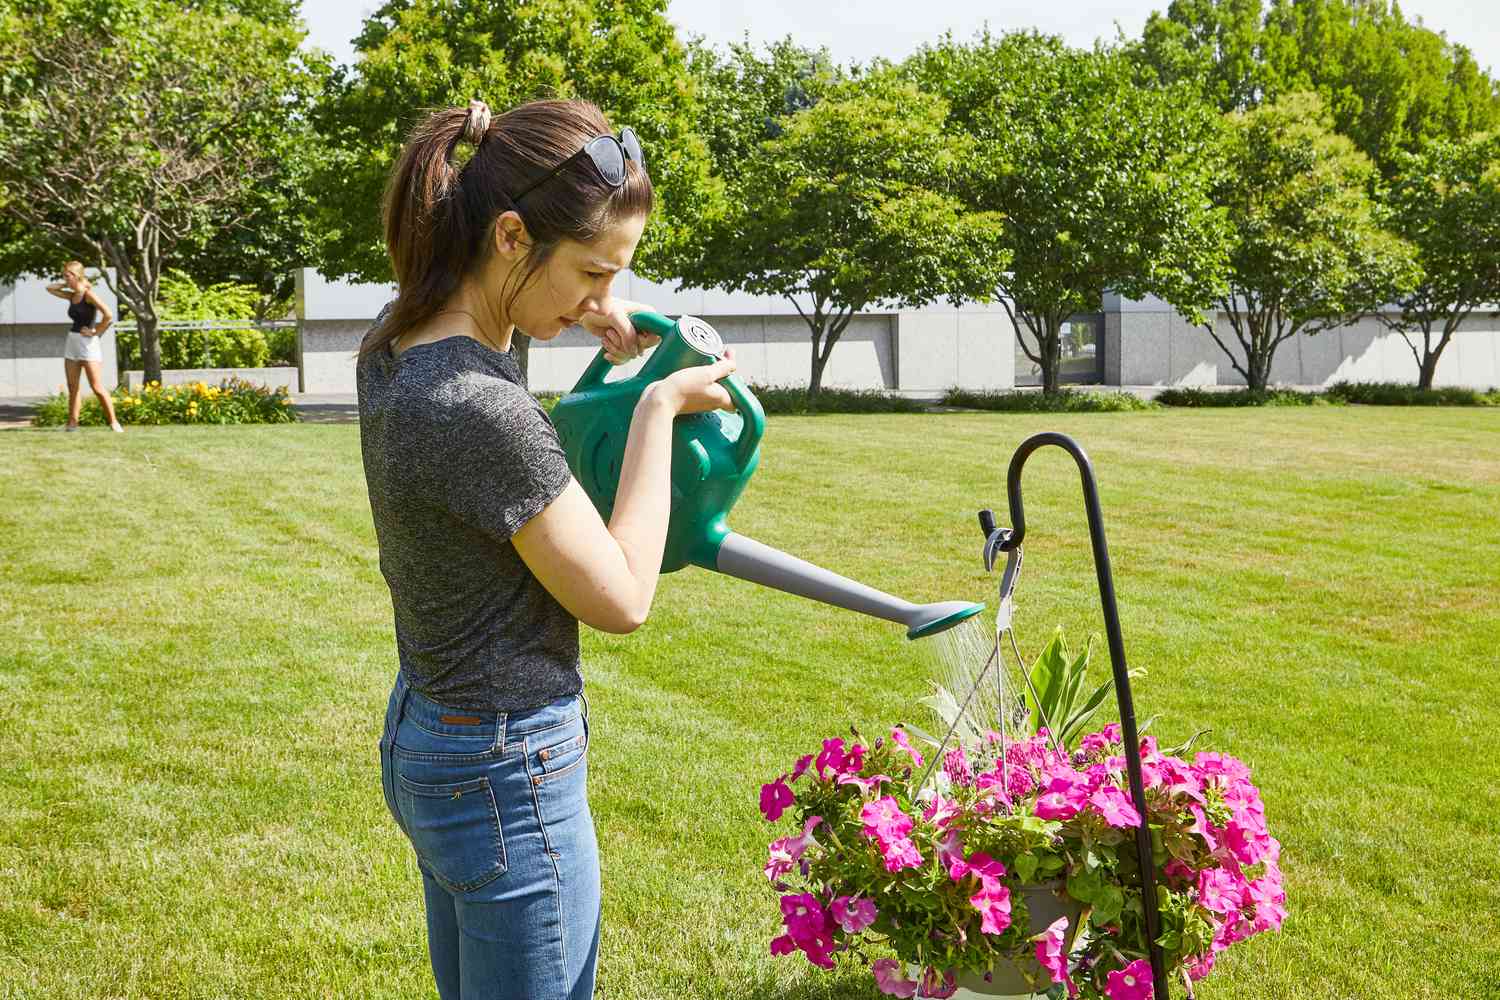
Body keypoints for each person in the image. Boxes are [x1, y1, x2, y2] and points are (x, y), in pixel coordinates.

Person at [357, 98, 737, 1000]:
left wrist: (594, 309)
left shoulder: (395, 345)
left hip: (430, 732)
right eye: (593, 274)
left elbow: (490, 354)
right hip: (506, 770)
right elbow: (620, 599)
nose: (606, 301)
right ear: (511, 236)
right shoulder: (485, 412)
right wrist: (655, 411)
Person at [45, 261, 122, 432]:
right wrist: (67, 283)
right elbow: (49, 288)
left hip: (88, 344)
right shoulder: (72, 295)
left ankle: (114, 422)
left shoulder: (88, 295)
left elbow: (108, 315)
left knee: (96, 387)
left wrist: (96, 332)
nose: (65, 278)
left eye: (67, 275)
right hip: (72, 342)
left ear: (77, 275)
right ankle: (72, 424)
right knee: (73, 387)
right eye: (64, 275)